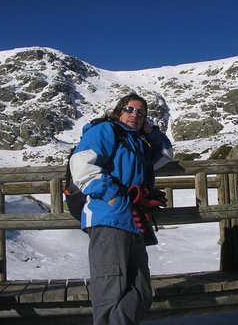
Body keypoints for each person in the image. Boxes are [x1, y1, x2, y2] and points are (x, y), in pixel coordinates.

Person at [69, 93, 173, 325]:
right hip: (108, 219)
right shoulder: (106, 130)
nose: (134, 114)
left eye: (141, 112)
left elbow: (165, 152)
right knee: (110, 293)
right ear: (118, 111)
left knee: (142, 291)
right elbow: (82, 164)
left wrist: (149, 130)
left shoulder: (138, 143)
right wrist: (113, 195)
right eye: (129, 109)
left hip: (133, 222)